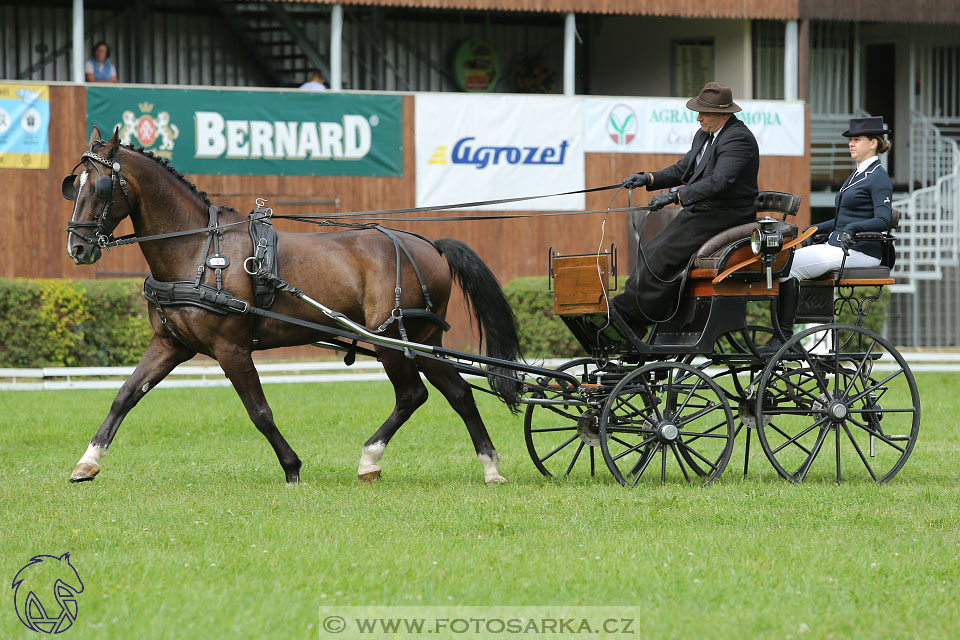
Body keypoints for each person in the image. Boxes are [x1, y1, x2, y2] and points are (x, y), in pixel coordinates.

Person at [612, 81, 760, 333]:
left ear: (724, 113)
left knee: (663, 255)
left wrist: (674, 196)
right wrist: (649, 178)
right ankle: (644, 310)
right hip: (704, 212)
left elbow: (719, 181)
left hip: (727, 216)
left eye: (705, 113)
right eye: (698, 112)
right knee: (650, 250)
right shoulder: (705, 134)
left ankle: (633, 315)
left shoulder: (739, 139)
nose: (699, 118)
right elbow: (684, 169)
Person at [768, 116, 894, 349]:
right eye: (850, 140)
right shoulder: (858, 174)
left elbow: (884, 220)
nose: (851, 143)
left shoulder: (879, 178)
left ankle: (783, 337)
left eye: (856, 139)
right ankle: (787, 333)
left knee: (789, 266)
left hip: (859, 250)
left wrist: (853, 229)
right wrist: (816, 228)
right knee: (784, 261)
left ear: (873, 143)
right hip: (839, 245)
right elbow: (842, 219)